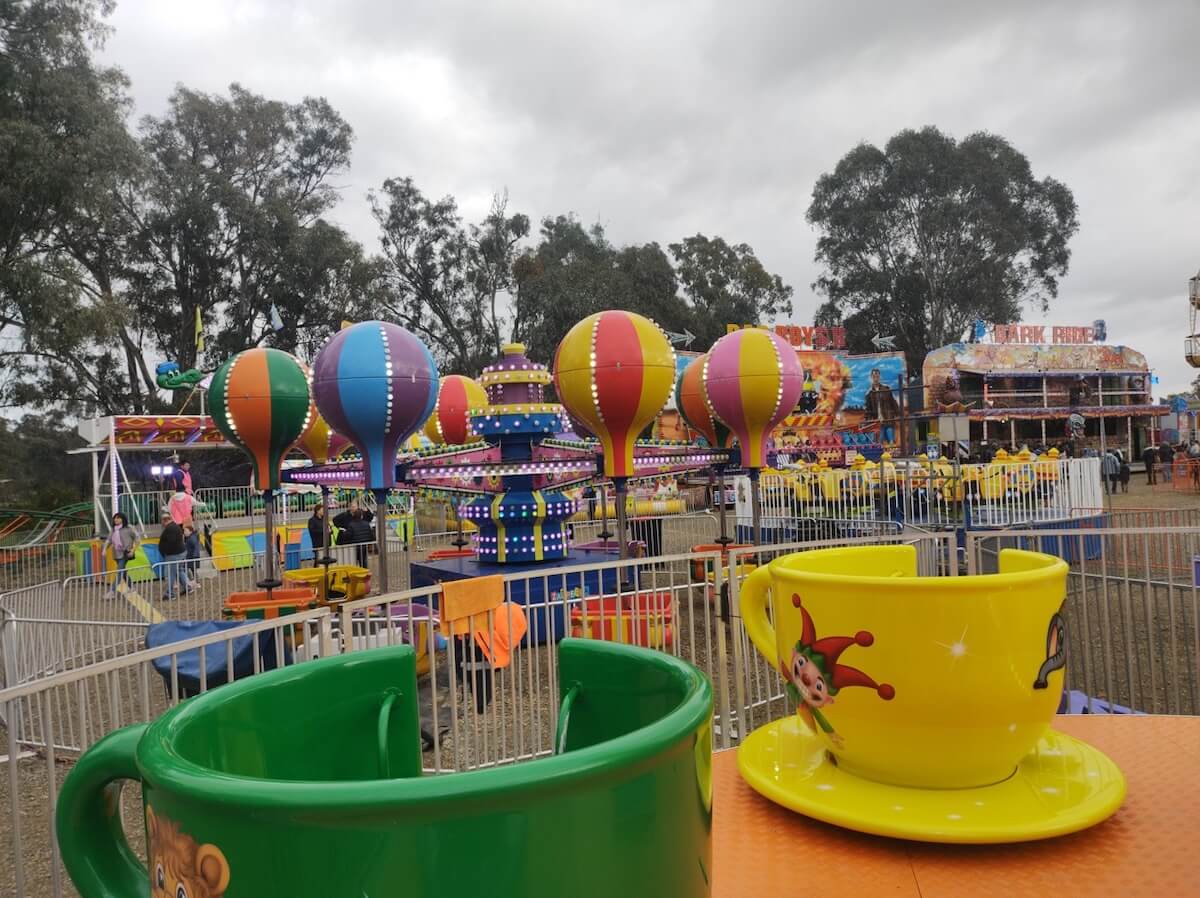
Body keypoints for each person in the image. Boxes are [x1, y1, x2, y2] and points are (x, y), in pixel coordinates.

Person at [333, 498, 374, 568]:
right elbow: (335, 520)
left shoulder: (362, 513)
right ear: (349, 507)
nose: (353, 508)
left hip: (360, 543)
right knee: (350, 560)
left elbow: (370, 518)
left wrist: (367, 511)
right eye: (352, 506)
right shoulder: (344, 515)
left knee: (363, 560)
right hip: (349, 543)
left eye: (354, 506)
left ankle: (363, 573)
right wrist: (341, 528)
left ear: (358, 506)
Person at [104, 512, 137, 597]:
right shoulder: (113, 529)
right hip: (116, 554)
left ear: (123, 519)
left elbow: (137, 539)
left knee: (119, 572)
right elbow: (108, 540)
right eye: (115, 518)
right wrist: (104, 549)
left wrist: (133, 550)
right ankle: (132, 587)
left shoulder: (129, 528)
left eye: (118, 518)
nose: (116, 519)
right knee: (123, 571)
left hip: (125, 553)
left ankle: (112, 591)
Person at [158, 512, 187, 601]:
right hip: (180, 553)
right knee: (179, 571)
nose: (161, 523)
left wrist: (165, 551)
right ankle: (187, 587)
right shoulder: (175, 526)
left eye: (162, 521)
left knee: (171, 574)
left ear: (164, 520)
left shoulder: (170, 529)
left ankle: (170, 594)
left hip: (173, 555)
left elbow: (171, 543)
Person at [182, 518, 200, 590]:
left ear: (190, 531)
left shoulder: (192, 538)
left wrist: (195, 556)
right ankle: (194, 583)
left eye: (185, 531)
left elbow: (196, 547)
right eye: (184, 531)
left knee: (191, 570)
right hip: (190, 557)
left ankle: (195, 583)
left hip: (192, 557)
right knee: (191, 570)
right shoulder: (190, 538)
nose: (184, 532)